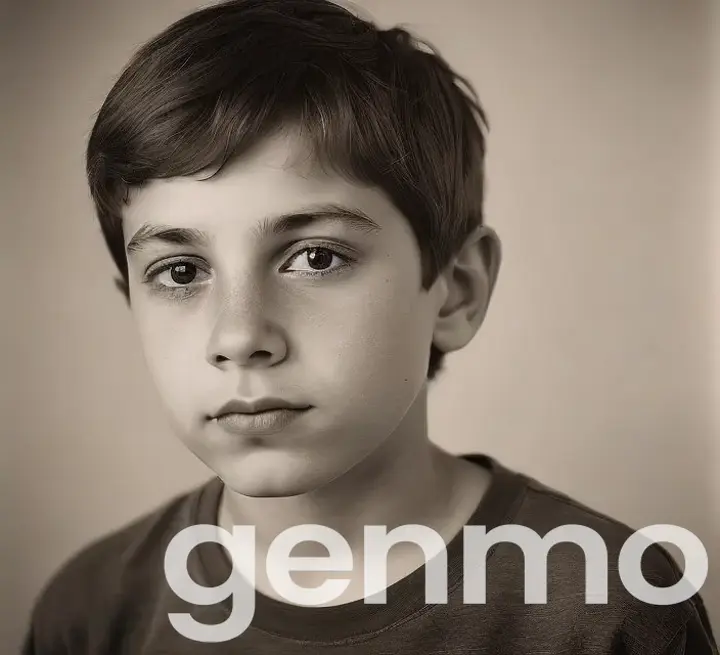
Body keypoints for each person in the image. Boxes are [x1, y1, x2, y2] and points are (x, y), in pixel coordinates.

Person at [22, 0, 717, 652]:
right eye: (180, 272)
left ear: (456, 291)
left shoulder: (609, 609)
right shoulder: (90, 611)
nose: (238, 336)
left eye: (316, 257)